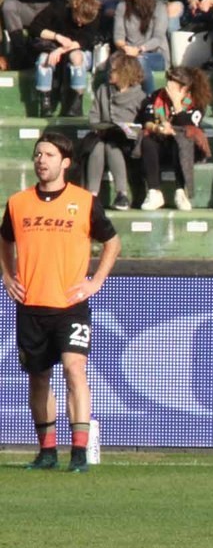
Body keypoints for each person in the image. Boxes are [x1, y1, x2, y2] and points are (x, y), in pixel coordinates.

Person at [0, 134, 121, 473]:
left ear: (65, 162)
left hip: (70, 304)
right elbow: (4, 240)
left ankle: (79, 452)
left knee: (74, 370)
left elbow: (112, 243)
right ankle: (47, 451)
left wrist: (95, 282)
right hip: (32, 304)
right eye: (38, 154)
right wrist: (8, 276)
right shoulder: (18, 203)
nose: (41, 160)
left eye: (49, 154)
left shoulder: (84, 202)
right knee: (38, 378)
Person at [135, 65, 213, 211]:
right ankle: (154, 192)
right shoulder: (157, 96)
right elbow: (146, 117)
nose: (168, 84)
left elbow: (190, 125)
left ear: (183, 88)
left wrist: (177, 104)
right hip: (162, 142)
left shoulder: (196, 101)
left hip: (187, 148)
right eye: (168, 79)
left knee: (181, 138)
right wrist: (159, 127)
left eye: (172, 81)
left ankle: (181, 191)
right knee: (147, 140)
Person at [82, 51, 146, 211]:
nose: (110, 73)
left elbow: (143, 124)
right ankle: (92, 195)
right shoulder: (103, 90)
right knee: (99, 146)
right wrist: (103, 127)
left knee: (111, 146)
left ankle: (121, 194)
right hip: (103, 135)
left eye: (114, 70)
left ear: (125, 73)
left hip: (127, 140)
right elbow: (94, 118)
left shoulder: (139, 95)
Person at [29, 0, 102, 117]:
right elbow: (35, 28)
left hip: (76, 49)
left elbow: (85, 39)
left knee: (77, 57)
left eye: (84, 23)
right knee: (43, 60)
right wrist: (57, 37)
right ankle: (45, 102)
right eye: (78, 20)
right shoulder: (59, 8)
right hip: (52, 45)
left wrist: (60, 51)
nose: (80, 25)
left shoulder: (93, 14)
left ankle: (76, 102)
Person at [114, 0, 170, 95]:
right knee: (117, 63)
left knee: (141, 60)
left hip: (155, 55)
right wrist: (126, 48)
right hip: (127, 53)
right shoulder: (122, 7)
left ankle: (152, 101)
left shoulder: (159, 8)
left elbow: (158, 38)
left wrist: (139, 49)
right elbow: (118, 36)